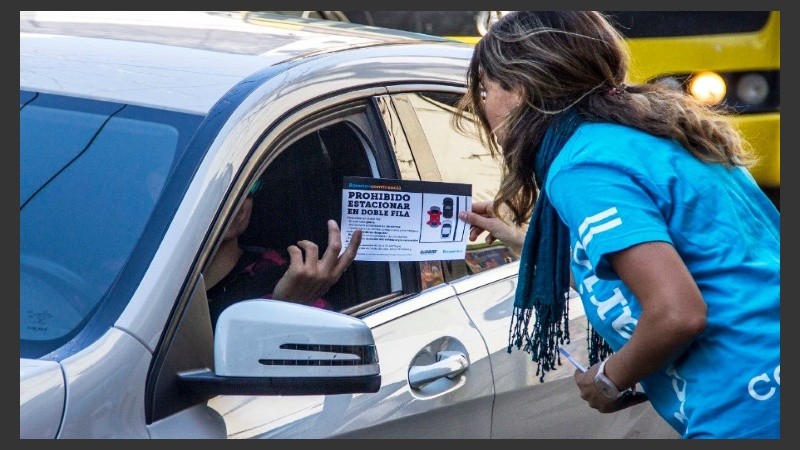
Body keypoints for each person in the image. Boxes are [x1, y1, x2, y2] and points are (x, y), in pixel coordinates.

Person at [454, 11, 779, 439]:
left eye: (485, 89)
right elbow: (618, 278)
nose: (482, 106)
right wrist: (520, 238)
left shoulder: (581, 166)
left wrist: (609, 377)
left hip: (750, 405)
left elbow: (677, 313)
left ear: (522, 88)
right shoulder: (635, 134)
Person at [204, 179, 363, 328]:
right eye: (217, 189)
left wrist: (291, 310)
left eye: (249, 190)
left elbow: (328, 336)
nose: (236, 205)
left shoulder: (283, 277)